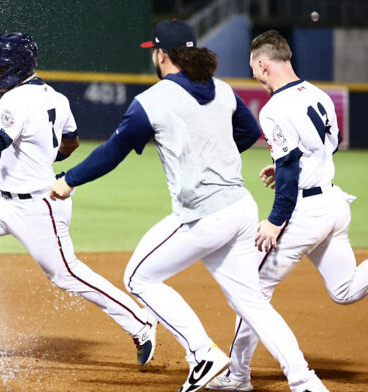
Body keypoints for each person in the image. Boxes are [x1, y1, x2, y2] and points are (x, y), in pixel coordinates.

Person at [49, 20, 329, 392]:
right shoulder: (223, 90)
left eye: (154, 50)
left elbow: (112, 152)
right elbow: (247, 133)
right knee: (252, 301)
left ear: (162, 54)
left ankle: (202, 353)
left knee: (138, 276)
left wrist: (69, 180)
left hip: (204, 216)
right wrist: (214, 154)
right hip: (242, 210)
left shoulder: (151, 102)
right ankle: (304, 380)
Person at [0, 32, 157, 367]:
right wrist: (42, 154)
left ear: (16, 65)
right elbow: (70, 142)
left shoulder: (15, 101)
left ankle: (141, 322)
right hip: (0, 199)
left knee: (67, 275)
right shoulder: (56, 97)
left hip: (36, 206)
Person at [206, 29, 368, 391]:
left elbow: (290, 166)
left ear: (262, 64)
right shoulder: (317, 93)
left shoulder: (274, 108)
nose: (253, 72)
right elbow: (325, 148)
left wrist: (276, 220)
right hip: (334, 204)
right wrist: (290, 167)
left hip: (305, 213)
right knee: (345, 288)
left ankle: (244, 377)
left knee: (251, 291)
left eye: (253, 67)